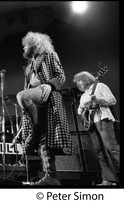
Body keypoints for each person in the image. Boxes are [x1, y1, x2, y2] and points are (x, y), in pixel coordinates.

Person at [16, 31, 75, 185]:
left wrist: (49, 86)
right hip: (36, 101)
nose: (24, 49)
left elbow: (60, 76)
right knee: (43, 138)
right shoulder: (29, 67)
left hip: (46, 95)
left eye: (26, 45)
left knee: (22, 96)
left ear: (34, 44)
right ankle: (52, 177)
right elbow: (28, 85)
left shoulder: (49, 55)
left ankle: (34, 131)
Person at [73, 71, 120, 186]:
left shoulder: (100, 86)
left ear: (86, 79)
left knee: (111, 147)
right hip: (92, 124)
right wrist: (84, 107)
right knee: (100, 152)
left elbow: (113, 100)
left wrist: (97, 99)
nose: (78, 84)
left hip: (103, 119)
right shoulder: (84, 96)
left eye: (79, 81)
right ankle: (108, 179)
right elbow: (79, 111)